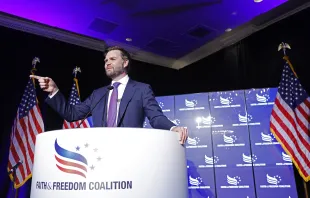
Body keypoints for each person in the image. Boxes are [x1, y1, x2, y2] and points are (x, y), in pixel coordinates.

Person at [30, 46, 188, 144]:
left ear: (125, 63)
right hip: (101, 153)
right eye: (105, 60)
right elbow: (72, 114)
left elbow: (155, 117)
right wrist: (54, 91)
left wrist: (172, 127)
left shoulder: (142, 89)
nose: (107, 63)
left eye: (112, 59)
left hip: (131, 153)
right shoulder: (98, 94)